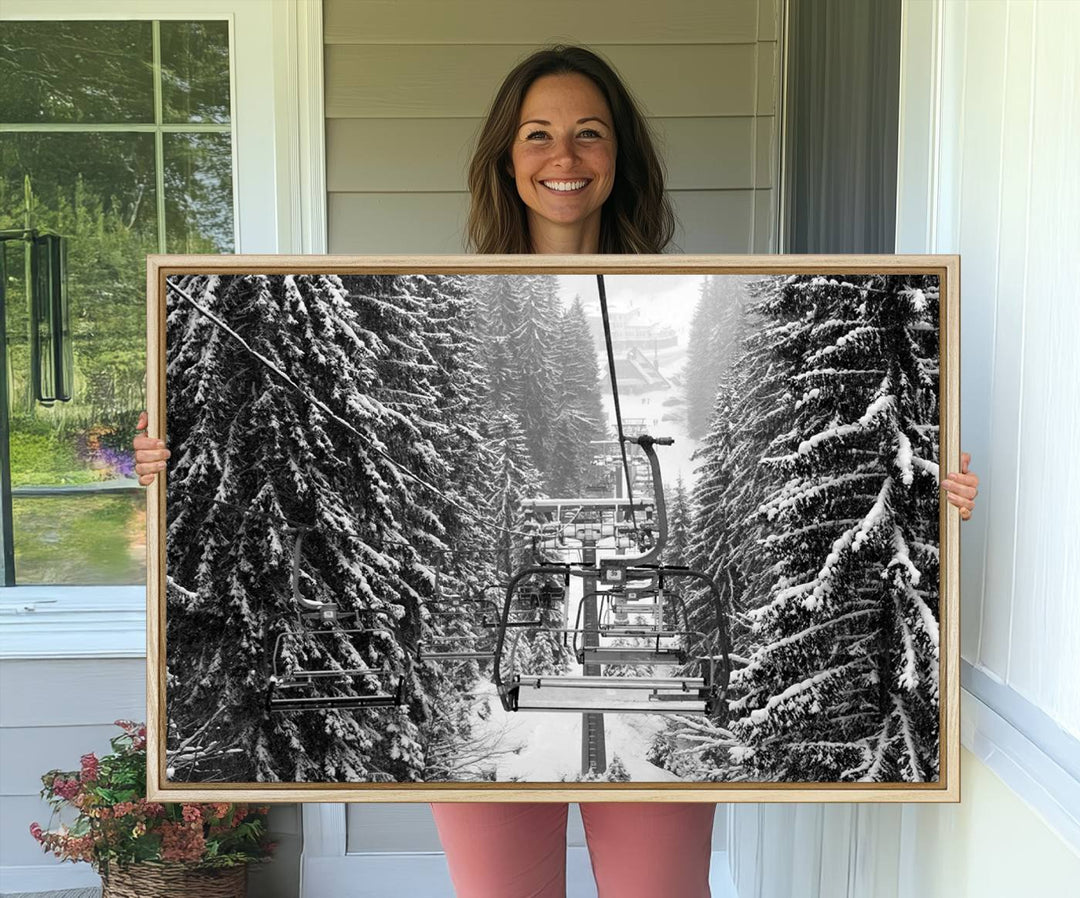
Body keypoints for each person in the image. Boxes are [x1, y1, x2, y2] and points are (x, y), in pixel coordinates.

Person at [134, 44, 980, 898]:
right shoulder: (454, 307)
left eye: (589, 134)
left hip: (637, 727)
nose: (563, 158)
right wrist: (165, 467)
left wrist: (930, 502)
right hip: (512, 722)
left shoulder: (701, 289)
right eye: (538, 135)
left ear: (619, 159)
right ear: (507, 158)